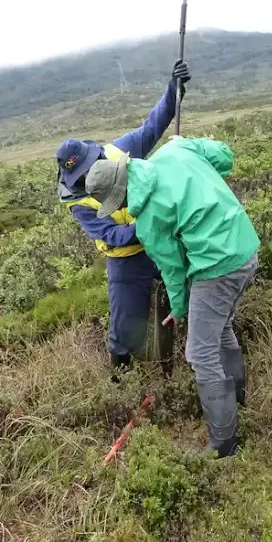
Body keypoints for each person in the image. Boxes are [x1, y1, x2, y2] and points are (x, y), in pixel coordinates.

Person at [84, 136, 260, 458]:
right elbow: (225, 157)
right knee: (221, 329)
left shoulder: (148, 220)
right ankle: (236, 400)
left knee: (199, 352)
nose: (120, 209)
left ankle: (224, 445)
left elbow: (174, 269)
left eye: (116, 204)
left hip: (217, 266)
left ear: (120, 195)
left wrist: (177, 308)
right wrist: (190, 145)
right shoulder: (175, 149)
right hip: (246, 249)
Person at [56, 60, 191, 372]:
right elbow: (112, 236)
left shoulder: (117, 152)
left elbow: (152, 127)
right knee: (125, 326)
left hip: (158, 242)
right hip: (126, 259)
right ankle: (122, 379)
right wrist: (152, 224)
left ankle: (186, 354)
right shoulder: (77, 202)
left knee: (188, 287)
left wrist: (174, 89)